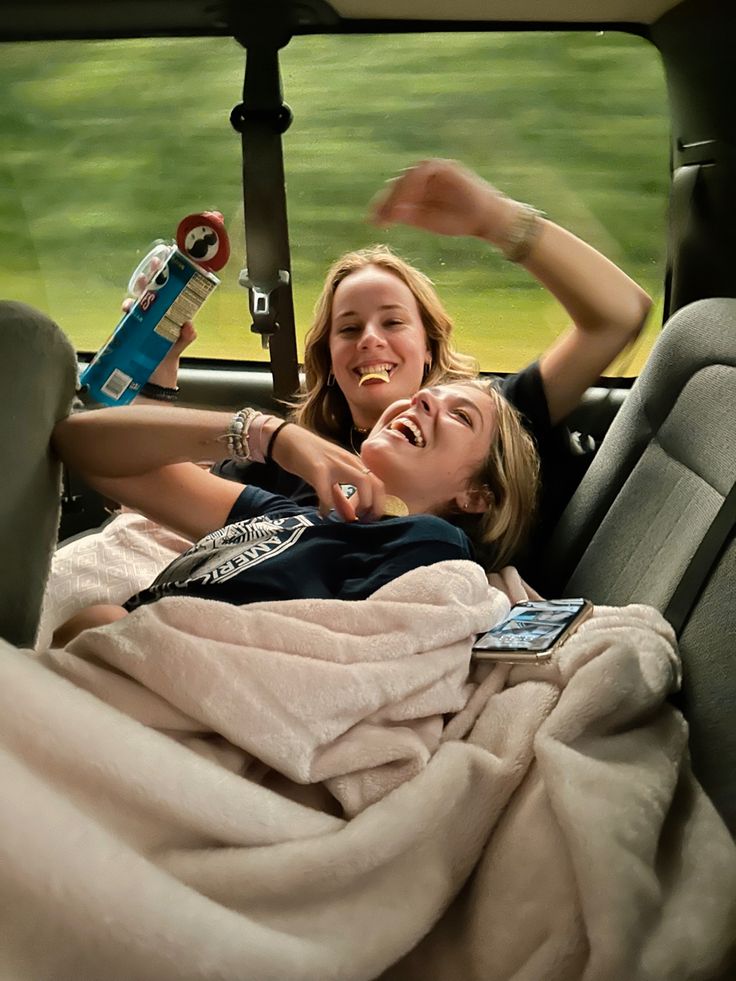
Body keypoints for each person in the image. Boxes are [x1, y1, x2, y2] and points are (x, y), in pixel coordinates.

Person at [164, 158, 649, 554]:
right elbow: (160, 501)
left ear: (430, 346)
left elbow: (619, 315)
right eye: (348, 328)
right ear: (328, 361)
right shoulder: (289, 455)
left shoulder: (487, 422)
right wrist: (160, 366)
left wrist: (496, 220)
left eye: (393, 322)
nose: (370, 339)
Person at [50, 378, 540, 645]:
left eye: (459, 415)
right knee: (94, 621)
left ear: (477, 497)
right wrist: (268, 436)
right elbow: (81, 445)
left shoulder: (433, 546)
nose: (423, 401)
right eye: (425, 396)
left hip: (175, 687)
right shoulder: (290, 516)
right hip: (112, 665)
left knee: (98, 620)